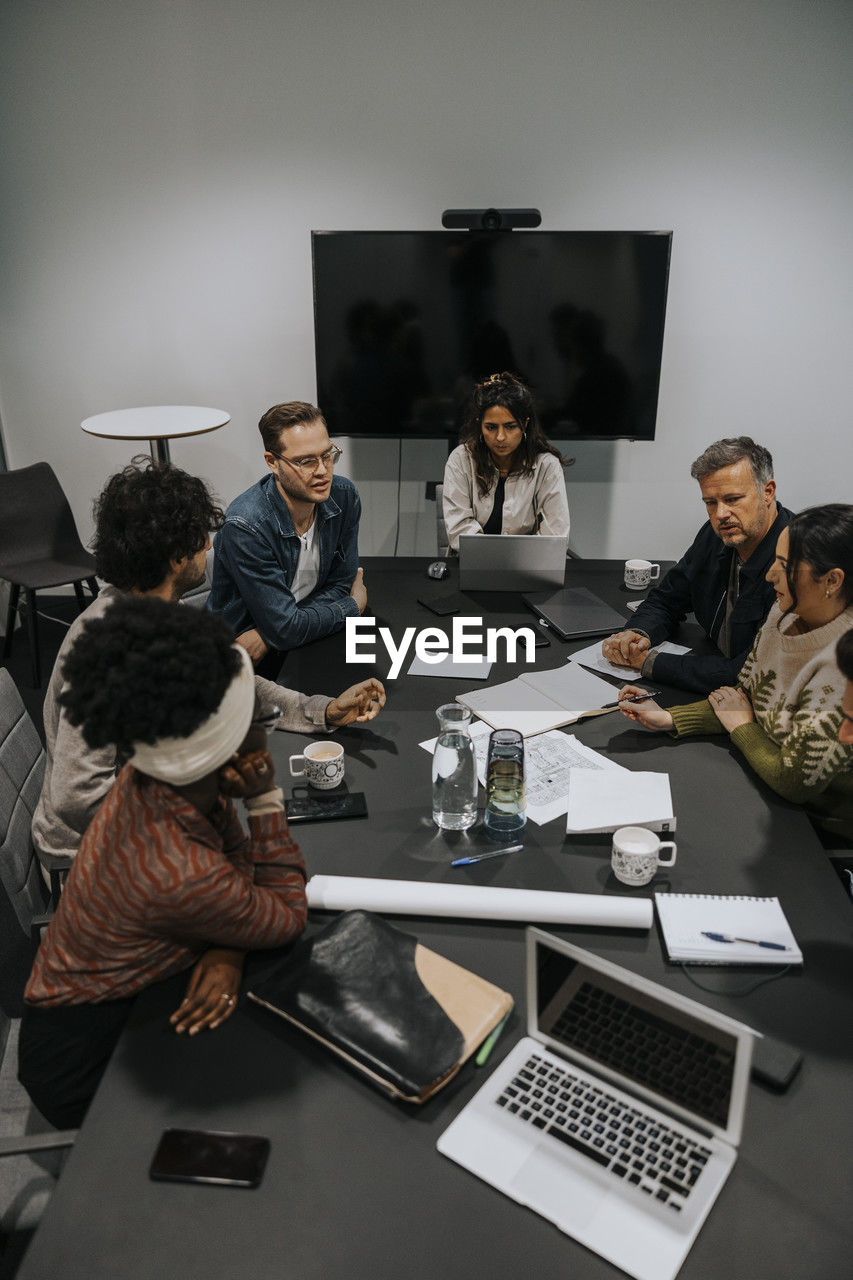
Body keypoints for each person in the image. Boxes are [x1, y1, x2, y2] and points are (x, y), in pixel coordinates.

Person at [19, 599, 309, 1128]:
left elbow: (233, 864)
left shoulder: (156, 778)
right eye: (253, 717)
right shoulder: (176, 868)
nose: (259, 723)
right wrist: (265, 797)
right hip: (86, 1060)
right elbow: (286, 913)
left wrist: (227, 942)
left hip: (121, 995)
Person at [33, 458, 385, 866]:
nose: (209, 545)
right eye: (200, 536)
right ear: (174, 558)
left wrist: (322, 710)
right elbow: (77, 797)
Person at [617, 505, 853, 844]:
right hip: (764, 778)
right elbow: (743, 697)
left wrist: (742, 727)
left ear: (832, 581)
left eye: (784, 566)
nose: (770, 575)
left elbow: (791, 781)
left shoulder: (843, 672)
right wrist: (670, 718)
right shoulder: (783, 614)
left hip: (814, 830)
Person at [602, 437, 792, 695]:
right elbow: (666, 599)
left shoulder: (799, 560)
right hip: (707, 678)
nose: (721, 514)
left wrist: (649, 662)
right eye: (710, 503)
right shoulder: (716, 536)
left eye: (733, 499)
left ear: (767, 492)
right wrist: (637, 634)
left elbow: (748, 671)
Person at [208, 401, 366, 662]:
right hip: (242, 660)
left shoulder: (344, 497)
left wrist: (273, 632)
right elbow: (288, 627)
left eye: (327, 455)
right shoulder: (247, 526)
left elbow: (340, 584)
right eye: (306, 462)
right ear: (272, 462)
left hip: (298, 641)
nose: (323, 471)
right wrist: (352, 607)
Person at [442, 371, 571, 553]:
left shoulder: (546, 465)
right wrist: (496, 560)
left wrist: (515, 563)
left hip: (528, 565)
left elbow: (555, 534)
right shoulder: (461, 459)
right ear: (480, 424)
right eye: (491, 427)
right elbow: (459, 529)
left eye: (510, 426)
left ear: (524, 424)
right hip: (473, 562)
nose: (500, 437)